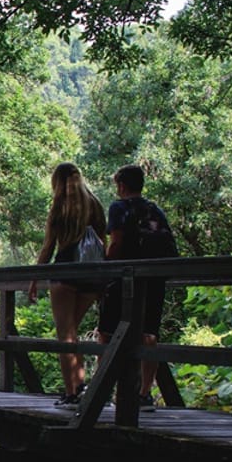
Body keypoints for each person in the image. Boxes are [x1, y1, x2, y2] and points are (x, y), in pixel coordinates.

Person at [27, 162, 107, 410]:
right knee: (74, 332)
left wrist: (34, 279)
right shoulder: (94, 204)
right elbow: (103, 240)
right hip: (92, 276)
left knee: (66, 336)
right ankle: (85, 389)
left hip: (64, 274)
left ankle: (72, 392)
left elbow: (48, 247)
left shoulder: (60, 207)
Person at [97, 164, 175, 411]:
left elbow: (116, 241)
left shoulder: (119, 207)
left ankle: (102, 390)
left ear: (121, 185)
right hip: (153, 279)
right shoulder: (155, 210)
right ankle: (143, 394)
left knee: (106, 332)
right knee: (149, 333)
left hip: (123, 280)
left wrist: (104, 265)